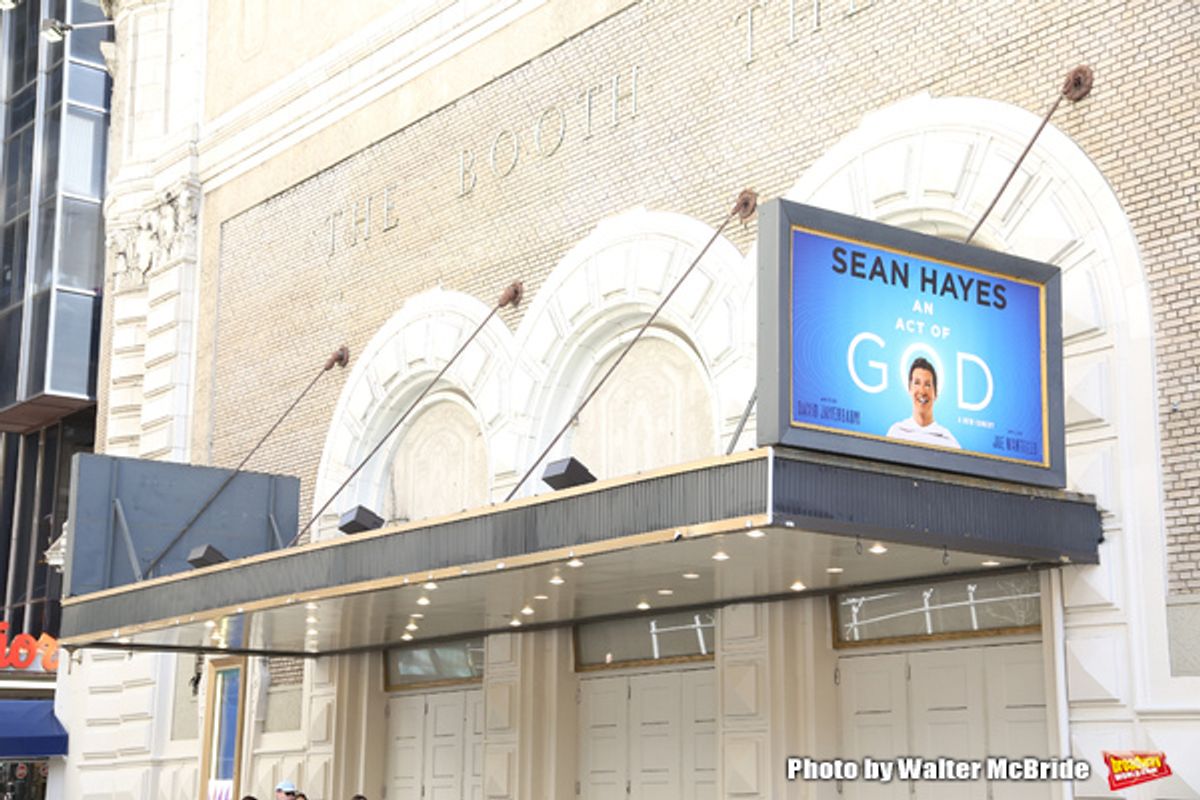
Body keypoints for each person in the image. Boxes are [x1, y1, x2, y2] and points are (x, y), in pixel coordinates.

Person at [886, 357, 960, 449]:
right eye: (917, 383)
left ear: (936, 394)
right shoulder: (896, 433)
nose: (922, 391)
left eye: (928, 385)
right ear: (910, 389)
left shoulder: (949, 441)